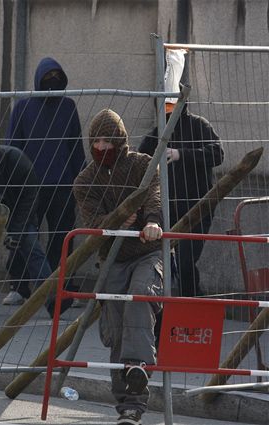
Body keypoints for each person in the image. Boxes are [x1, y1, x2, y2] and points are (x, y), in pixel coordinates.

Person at [73, 109, 163, 425]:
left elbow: (153, 193)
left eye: (108, 141)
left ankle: (137, 372)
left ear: (120, 140)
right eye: (96, 141)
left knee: (139, 295)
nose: (102, 147)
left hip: (148, 251)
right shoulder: (85, 180)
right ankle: (125, 404)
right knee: (116, 323)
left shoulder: (141, 164)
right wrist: (115, 221)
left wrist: (152, 221)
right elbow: (92, 221)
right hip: (112, 257)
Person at [4, 57, 86, 305]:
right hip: (29, 186)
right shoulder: (23, 107)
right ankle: (20, 286)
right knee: (23, 235)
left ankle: (61, 284)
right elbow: (13, 146)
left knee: (62, 236)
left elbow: (75, 147)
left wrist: (80, 180)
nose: (52, 82)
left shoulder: (68, 107)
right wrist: (13, 182)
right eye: (47, 77)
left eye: (56, 78)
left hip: (62, 184)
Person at [0, 144, 66, 316]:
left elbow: (29, 200)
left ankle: (55, 303)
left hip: (17, 206)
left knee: (31, 247)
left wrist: (16, 232)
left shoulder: (20, 164)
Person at [139, 102, 223, 297]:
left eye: (172, 102)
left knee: (185, 260)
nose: (168, 108)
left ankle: (192, 303)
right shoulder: (156, 132)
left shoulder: (199, 125)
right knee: (163, 262)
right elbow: (139, 159)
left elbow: (218, 153)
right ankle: (175, 308)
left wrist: (181, 154)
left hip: (198, 208)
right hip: (165, 208)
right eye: (164, 104)